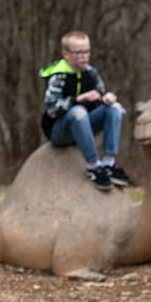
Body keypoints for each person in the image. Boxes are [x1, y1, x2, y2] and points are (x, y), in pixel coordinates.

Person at [39, 30, 132, 191]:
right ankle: (93, 166)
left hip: (85, 128)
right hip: (61, 131)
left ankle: (108, 163)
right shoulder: (59, 76)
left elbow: (100, 96)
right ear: (66, 54)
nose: (84, 56)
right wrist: (77, 100)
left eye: (87, 52)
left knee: (114, 109)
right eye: (78, 53)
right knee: (78, 111)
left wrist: (106, 98)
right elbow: (52, 109)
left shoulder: (91, 73)